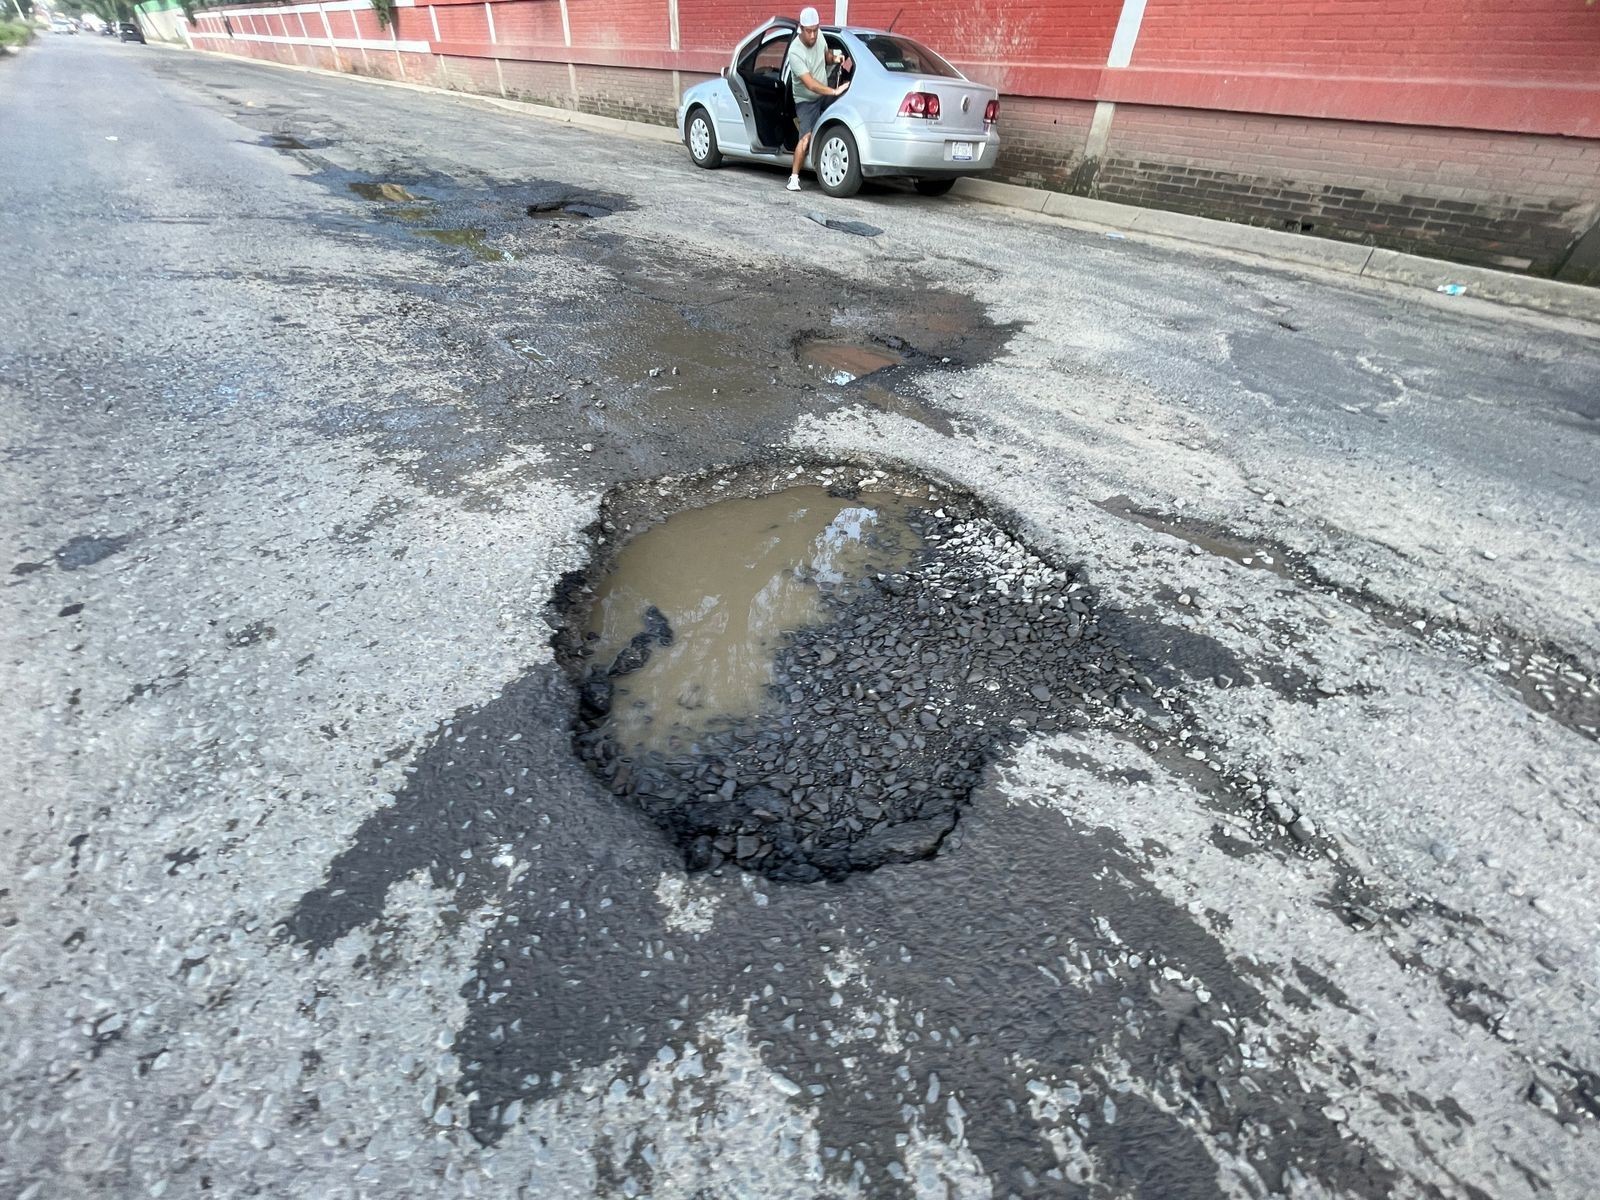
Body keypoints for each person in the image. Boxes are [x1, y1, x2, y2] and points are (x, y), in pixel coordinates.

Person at [784, 7, 851, 192]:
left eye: (815, 29)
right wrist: (834, 92)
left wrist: (835, 58)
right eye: (809, 31)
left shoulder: (819, 35)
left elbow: (826, 56)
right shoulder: (795, 52)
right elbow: (810, 84)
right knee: (805, 138)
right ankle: (794, 178)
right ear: (801, 28)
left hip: (824, 93)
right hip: (806, 100)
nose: (813, 35)